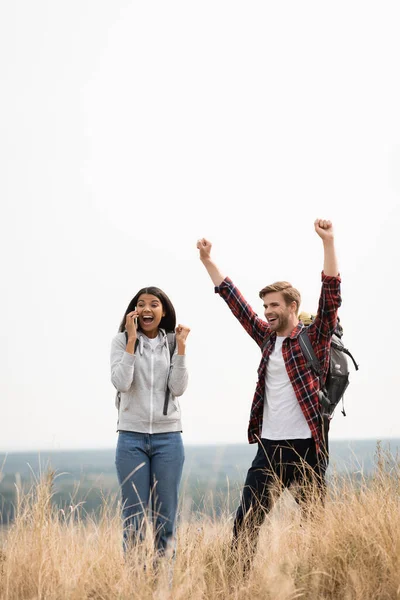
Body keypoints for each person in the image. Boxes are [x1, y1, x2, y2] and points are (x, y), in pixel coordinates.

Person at [196, 219, 340, 568]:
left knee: (314, 527)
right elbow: (235, 303)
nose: (267, 312)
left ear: (292, 306)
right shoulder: (265, 337)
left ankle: (320, 582)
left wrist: (328, 242)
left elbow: (332, 294)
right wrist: (207, 262)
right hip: (269, 446)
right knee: (246, 523)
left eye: (274, 305)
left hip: (307, 447)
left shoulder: (314, 339)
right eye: (265, 307)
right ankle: (237, 585)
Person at [110, 286, 190, 560]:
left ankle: (163, 585)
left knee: (165, 519)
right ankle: (134, 585)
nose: (147, 309)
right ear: (134, 312)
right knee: (133, 520)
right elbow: (121, 382)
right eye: (141, 304)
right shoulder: (121, 342)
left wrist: (181, 349)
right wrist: (131, 342)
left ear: (163, 310)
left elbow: (178, 388)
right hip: (131, 439)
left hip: (168, 439)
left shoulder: (171, 343)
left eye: (154, 304)